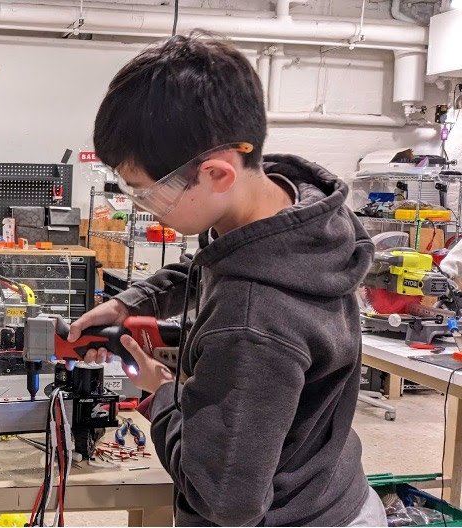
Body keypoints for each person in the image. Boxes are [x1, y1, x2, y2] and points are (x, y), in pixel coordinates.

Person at [69, 34, 387, 526]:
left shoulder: (253, 322)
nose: (145, 207)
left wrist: (161, 394)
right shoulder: (290, 214)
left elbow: (226, 502)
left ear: (217, 174)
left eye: (147, 195)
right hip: (331, 488)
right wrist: (133, 303)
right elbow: (215, 265)